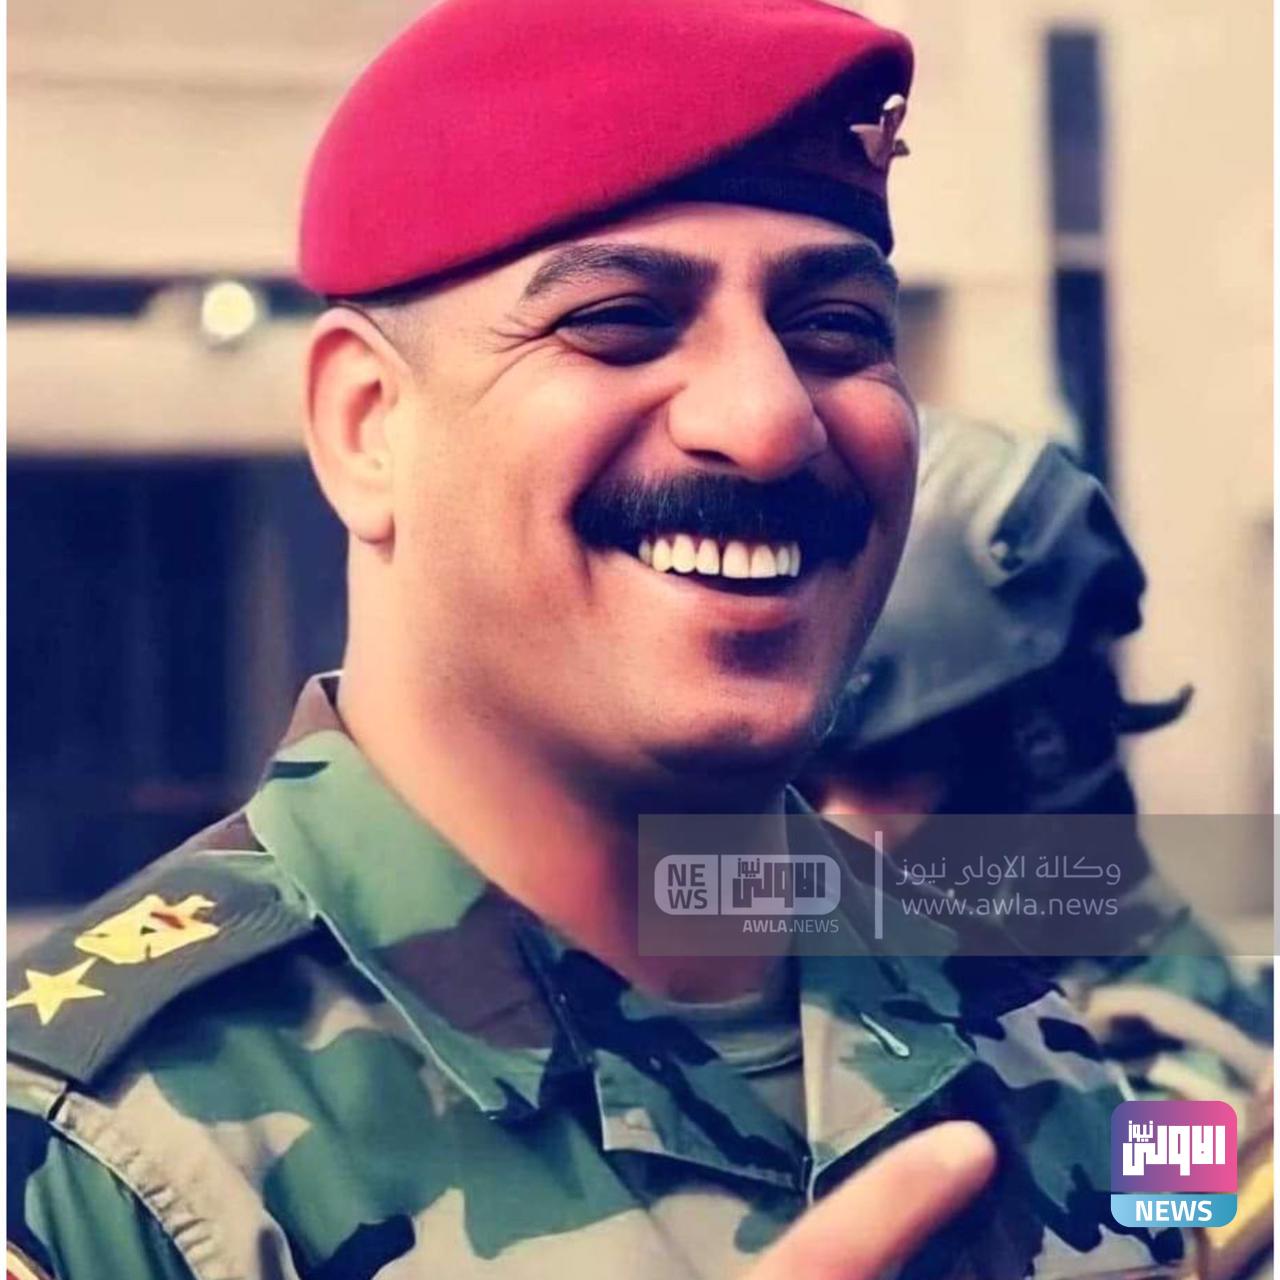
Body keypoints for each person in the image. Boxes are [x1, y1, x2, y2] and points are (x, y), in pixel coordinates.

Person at [7, 4, 1189, 1278]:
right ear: (366, 426)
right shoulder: (90, 1158)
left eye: (836, 331)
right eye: (620, 321)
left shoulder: (1048, 1050)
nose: (768, 420)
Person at [802, 407, 1274, 1278]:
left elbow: (1163, 1245)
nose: (827, 829)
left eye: (883, 772)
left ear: (1028, 749)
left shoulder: (1185, 1051)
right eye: (799, 785)